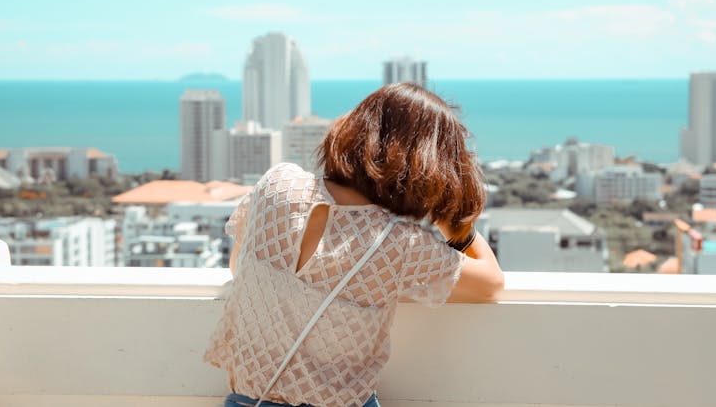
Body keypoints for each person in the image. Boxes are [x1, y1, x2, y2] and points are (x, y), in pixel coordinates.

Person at [204, 82, 504, 407]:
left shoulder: (278, 185)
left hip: (249, 400)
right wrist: (456, 225)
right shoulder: (397, 243)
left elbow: (241, 266)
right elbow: (491, 284)